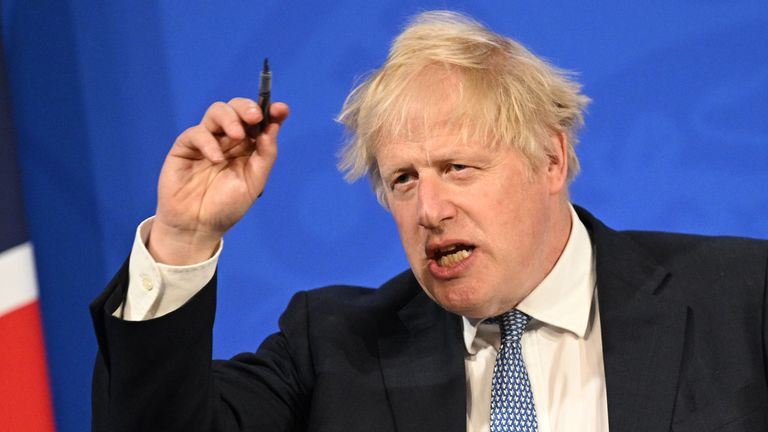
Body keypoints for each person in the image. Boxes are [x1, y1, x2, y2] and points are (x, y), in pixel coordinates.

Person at [91, 10, 768, 432]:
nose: (430, 210)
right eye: (403, 180)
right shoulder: (332, 350)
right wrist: (183, 237)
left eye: (459, 168)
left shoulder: (740, 299)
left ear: (551, 158)